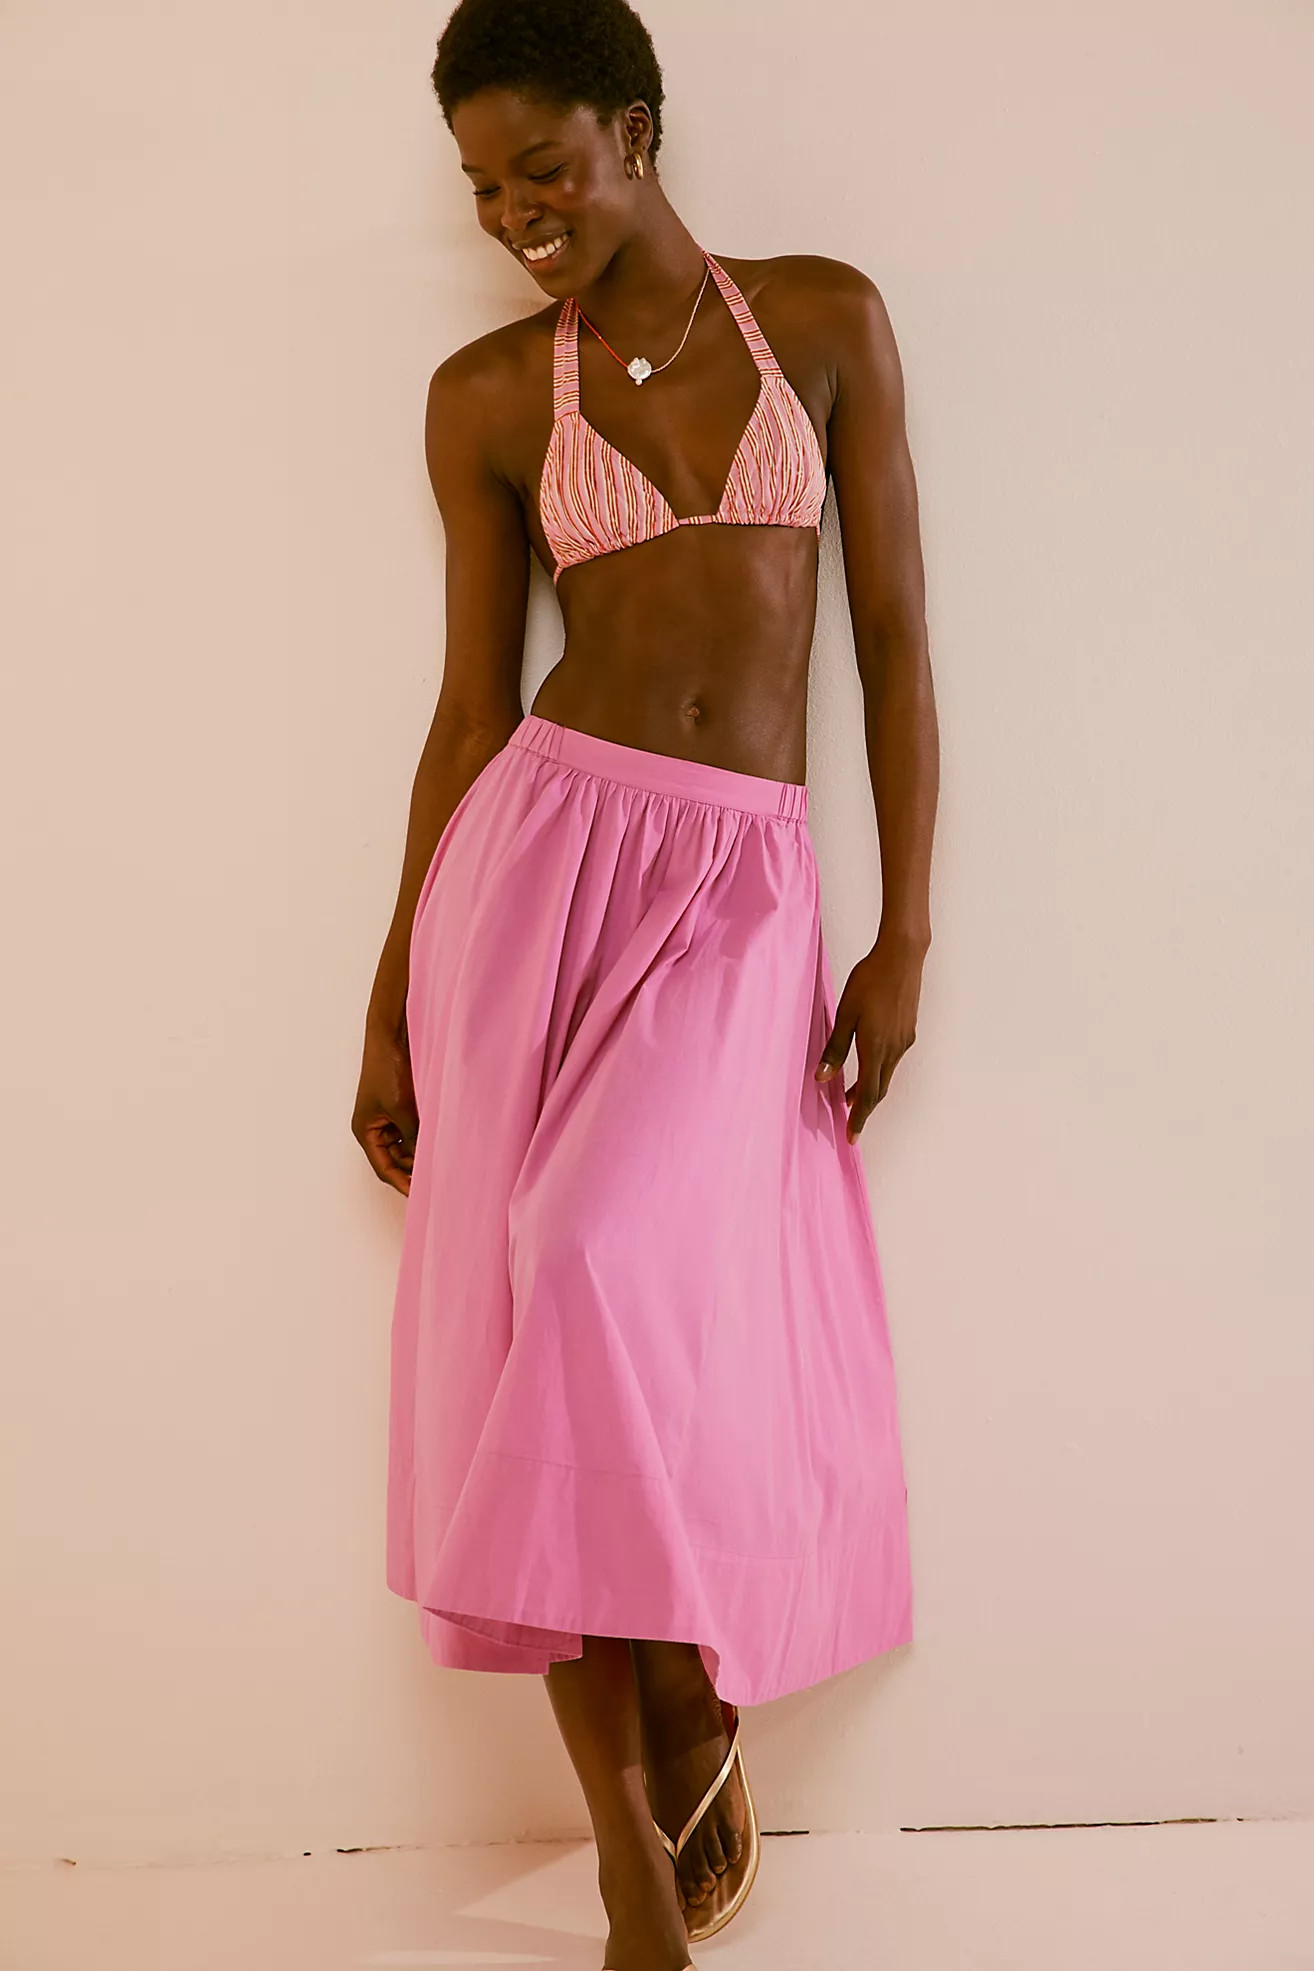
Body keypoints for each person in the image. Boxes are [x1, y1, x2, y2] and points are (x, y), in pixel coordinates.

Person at [352, 2, 939, 1965]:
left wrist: (905, 931)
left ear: (635, 129)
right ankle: (633, 1823)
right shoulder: (487, 398)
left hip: (742, 887)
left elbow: (893, 640)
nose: (512, 214)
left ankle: (685, 1707)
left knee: (596, 1262)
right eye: (480, 187)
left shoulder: (825, 320)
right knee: (535, 1302)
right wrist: (387, 992)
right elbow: (467, 712)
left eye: (542, 169)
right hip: (539, 871)